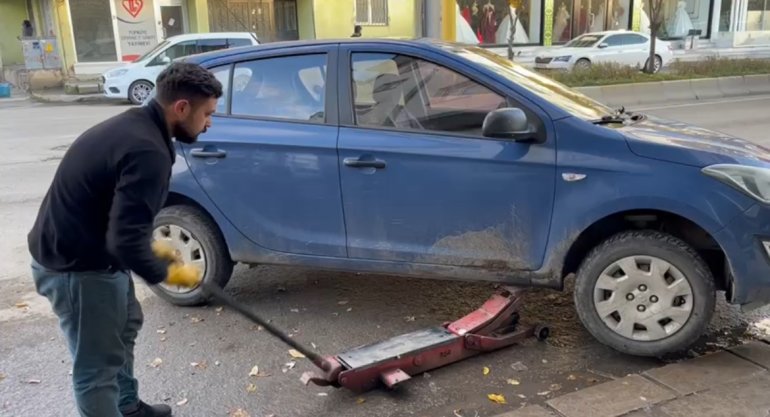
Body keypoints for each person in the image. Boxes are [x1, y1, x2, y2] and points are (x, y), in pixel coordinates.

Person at [27, 62, 223, 417]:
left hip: (95, 253)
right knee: (97, 367)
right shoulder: (146, 148)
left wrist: (150, 253)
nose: (210, 122)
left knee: (126, 324)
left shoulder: (141, 128)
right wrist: (165, 270)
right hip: (76, 267)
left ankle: (127, 407)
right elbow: (125, 239)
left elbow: (123, 220)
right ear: (181, 108)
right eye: (207, 113)